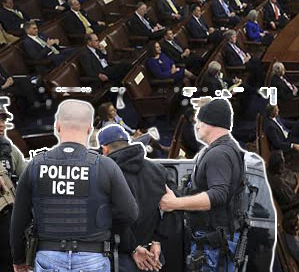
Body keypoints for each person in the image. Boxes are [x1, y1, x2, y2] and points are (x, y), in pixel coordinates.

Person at [10, 100, 138, 272]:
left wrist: (18, 259)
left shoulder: (36, 165)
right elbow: (130, 213)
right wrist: (100, 219)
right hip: (93, 257)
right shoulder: (106, 166)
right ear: (89, 129)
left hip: (48, 256)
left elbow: (18, 220)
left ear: (57, 127)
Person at [159, 98, 246, 271]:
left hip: (212, 245)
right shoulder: (228, 149)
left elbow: (218, 195)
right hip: (217, 241)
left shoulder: (218, 154)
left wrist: (175, 203)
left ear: (212, 123)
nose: (197, 126)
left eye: (200, 121)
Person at [98, 125, 172, 272]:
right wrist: (157, 240)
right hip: (153, 257)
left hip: (121, 257)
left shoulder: (105, 173)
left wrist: (133, 247)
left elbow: (114, 216)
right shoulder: (158, 170)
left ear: (104, 149)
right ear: (127, 143)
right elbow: (173, 207)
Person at [0, 110, 26, 272]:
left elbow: (25, 177)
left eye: (3, 120)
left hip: (5, 217)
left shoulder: (8, 149)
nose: (1, 125)